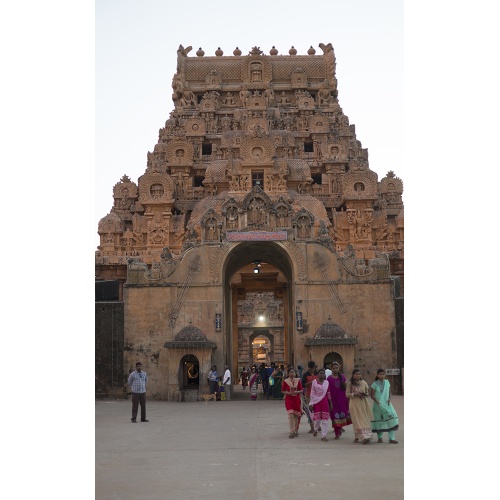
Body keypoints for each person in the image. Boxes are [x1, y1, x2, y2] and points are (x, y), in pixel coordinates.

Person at [370, 368, 399, 444]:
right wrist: (378, 402)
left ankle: (392, 438)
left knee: (391, 419)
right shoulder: (374, 384)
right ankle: (380, 438)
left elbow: (389, 392)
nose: (382, 376)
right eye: (380, 374)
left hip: (387, 404)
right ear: (377, 375)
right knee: (379, 421)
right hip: (378, 406)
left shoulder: (387, 382)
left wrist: (389, 398)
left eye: (383, 374)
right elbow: (372, 395)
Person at [346, 368, 373, 444]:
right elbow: (347, 394)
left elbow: (367, 392)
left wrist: (365, 394)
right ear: (353, 375)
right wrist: (355, 394)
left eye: (359, 374)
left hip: (363, 403)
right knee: (356, 420)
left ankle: (366, 436)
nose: (358, 375)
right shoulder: (350, 384)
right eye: (356, 374)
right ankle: (359, 436)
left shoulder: (364, 383)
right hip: (354, 403)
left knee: (364, 419)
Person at [327, 362, 352, 439]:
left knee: (342, 414)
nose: (335, 369)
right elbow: (328, 390)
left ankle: (340, 427)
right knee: (334, 415)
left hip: (342, 399)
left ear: (339, 368)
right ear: (331, 369)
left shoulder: (342, 377)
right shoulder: (329, 378)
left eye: (336, 368)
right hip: (333, 400)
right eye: (334, 368)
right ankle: (337, 433)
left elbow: (346, 387)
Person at [309, 368, 333, 442]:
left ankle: (324, 435)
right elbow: (312, 392)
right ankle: (315, 429)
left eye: (323, 373)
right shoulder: (314, 382)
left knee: (325, 419)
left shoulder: (326, 383)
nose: (322, 374)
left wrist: (330, 403)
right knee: (317, 419)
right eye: (321, 373)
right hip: (316, 402)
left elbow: (328, 393)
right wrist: (311, 403)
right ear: (317, 374)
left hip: (324, 401)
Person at [281, 367, 303, 438]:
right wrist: (288, 393)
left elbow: (301, 390)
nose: (292, 373)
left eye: (293, 372)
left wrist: (297, 392)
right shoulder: (286, 381)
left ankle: (295, 430)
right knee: (290, 415)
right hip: (289, 399)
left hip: (296, 399)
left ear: (295, 373)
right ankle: (291, 431)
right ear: (288, 373)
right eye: (290, 372)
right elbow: (282, 390)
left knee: (296, 415)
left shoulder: (298, 381)